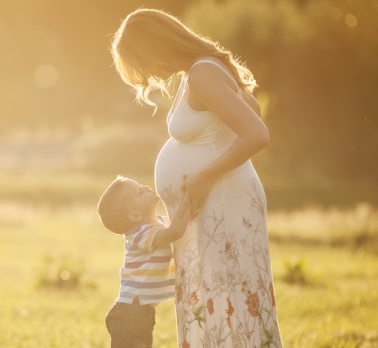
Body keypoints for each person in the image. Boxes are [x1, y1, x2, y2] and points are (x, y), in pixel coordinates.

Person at [110, 8, 283, 347]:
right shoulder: (199, 71)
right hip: (214, 205)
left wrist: (204, 175)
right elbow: (252, 110)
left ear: (155, 48)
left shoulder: (203, 72)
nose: (149, 77)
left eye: (144, 67)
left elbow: (257, 133)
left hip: (223, 202)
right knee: (216, 296)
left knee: (229, 293)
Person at [97, 175, 191, 348]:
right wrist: (190, 198)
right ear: (135, 215)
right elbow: (176, 232)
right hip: (131, 312)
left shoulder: (161, 223)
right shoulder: (140, 234)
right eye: (140, 192)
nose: (146, 187)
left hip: (139, 311)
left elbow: (177, 225)